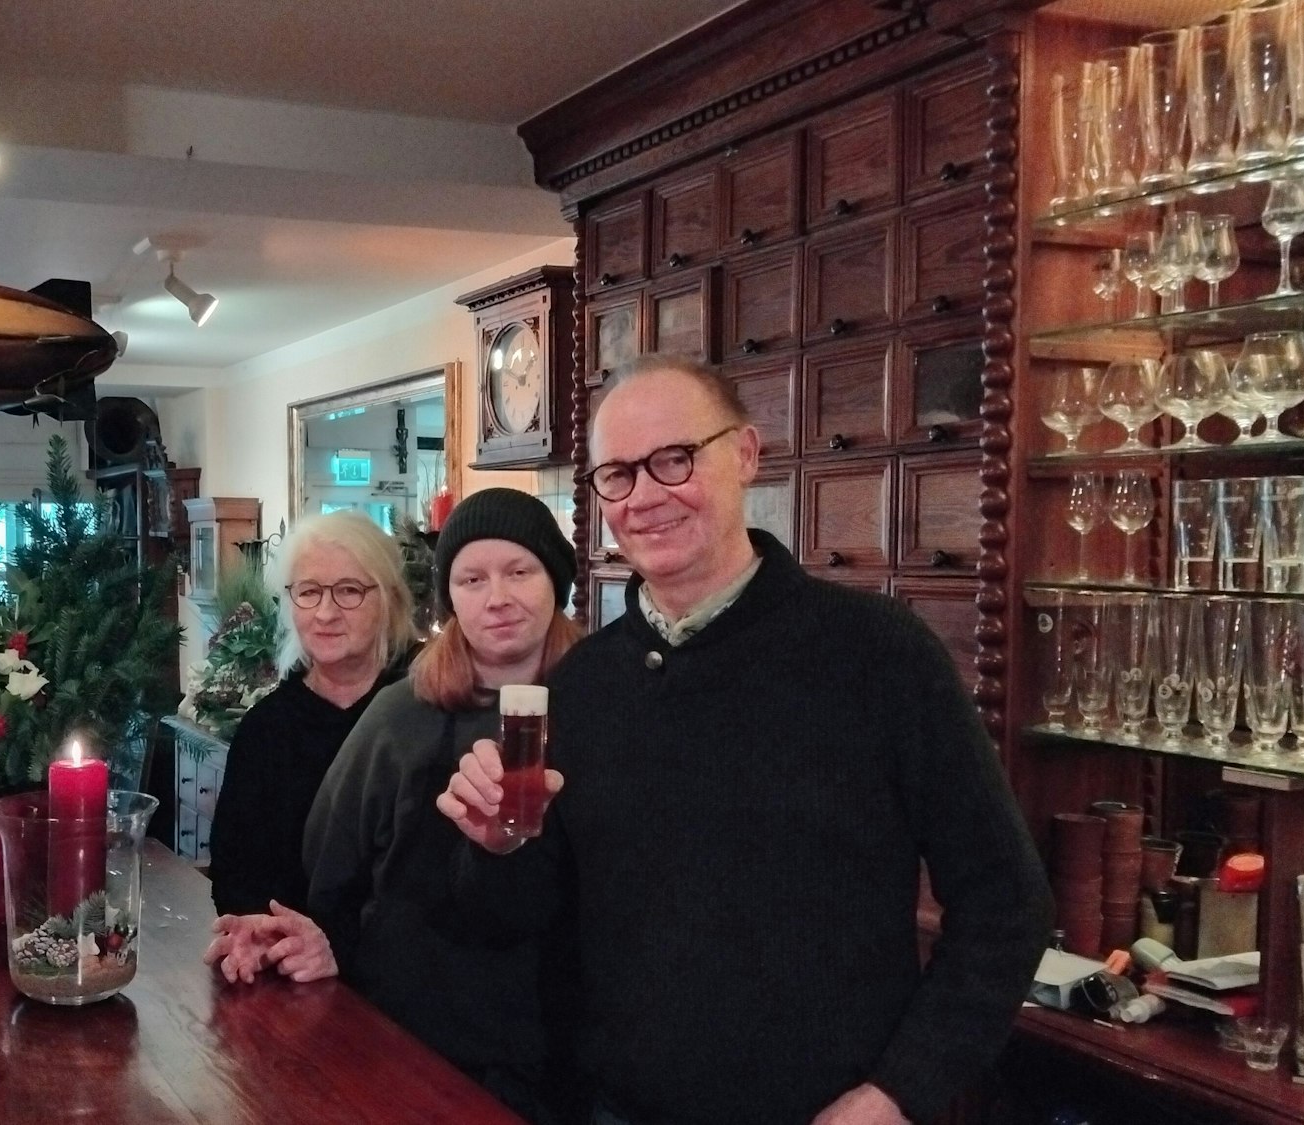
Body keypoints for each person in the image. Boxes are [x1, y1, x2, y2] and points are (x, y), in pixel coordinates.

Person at [439, 359, 1054, 1125]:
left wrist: (901, 1089)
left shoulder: (878, 655)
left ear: (745, 454)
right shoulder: (584, 684)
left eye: (675, 458)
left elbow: (1006, 901)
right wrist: (497, 847)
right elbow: (524, 921)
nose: (645, 496)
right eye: (618, 475)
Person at [214, 488, 585, 1122]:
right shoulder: (400, 715)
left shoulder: (602, 705)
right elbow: (330, 868)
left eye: (520, 571)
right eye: (472, 579)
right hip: (407, 1036)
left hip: (564, 1049)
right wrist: (311, 940)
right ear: (450, 596)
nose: (497, 597)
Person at [205, 510, 419, 918]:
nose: (325, 612)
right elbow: (235, 875)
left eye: (349, 590)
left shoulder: (422, 712)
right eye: (309, 592)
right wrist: (275, 937)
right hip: (285, 954)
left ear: (389, 598)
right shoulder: (266, 729)